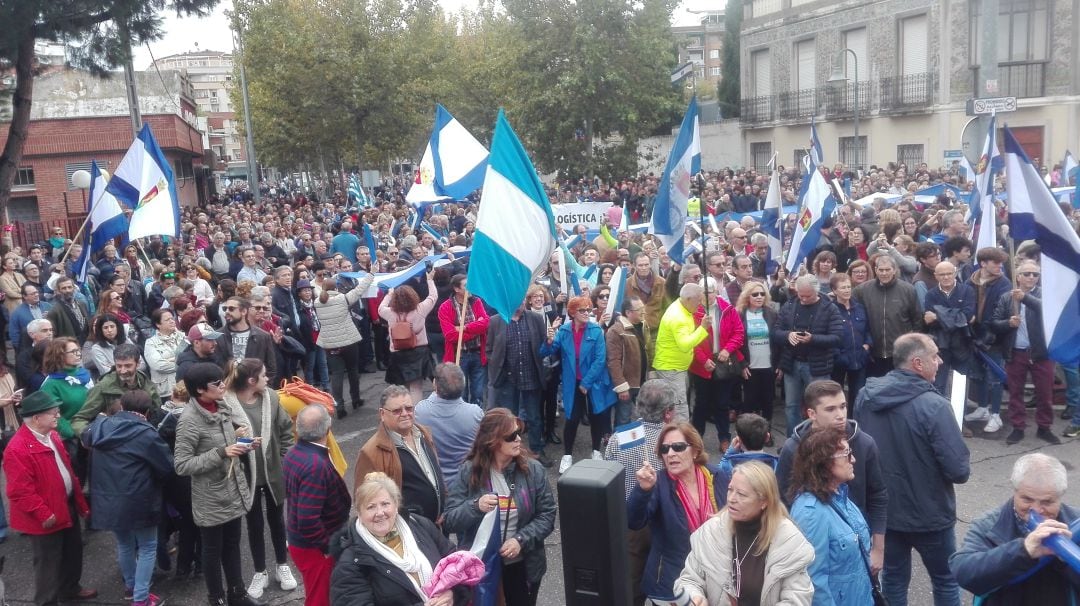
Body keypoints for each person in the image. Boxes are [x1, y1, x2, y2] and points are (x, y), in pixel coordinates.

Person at [855, 333, 970, 606]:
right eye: (935, 356)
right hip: (930, 515)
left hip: (885, 514)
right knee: (945, 579)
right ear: (918, 363)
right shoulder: (936, 406)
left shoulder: (865, 397)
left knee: (893, 579)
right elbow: (959, 470)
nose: (940, 361)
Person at [173, 362, 265, 606]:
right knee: (212, 551)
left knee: (233, 544)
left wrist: (244, 442)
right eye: (217, 383)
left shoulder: (220, 405)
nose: (223, 385)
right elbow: (182, 465)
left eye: (221, 380)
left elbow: (226, 442)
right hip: (211, 497)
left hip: (233, 489)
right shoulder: (189, 420)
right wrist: (222, 452)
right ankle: (217, 599)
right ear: (200, 390)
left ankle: (237, 593)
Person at [444, 408, 557, 606]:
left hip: (523, 566)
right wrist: (475, 506)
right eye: (511, 436)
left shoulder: (532, 470)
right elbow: (450, 520)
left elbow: (547, 515)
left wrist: (520, 540)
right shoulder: (469, 471)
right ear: (493, 440)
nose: (519, 440)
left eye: (519, 433)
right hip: (482, 566)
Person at [674, 460, 814, 605]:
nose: (731, 499)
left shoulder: (788, 541)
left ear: (764, 501)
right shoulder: (711, 532)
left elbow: (798, 599)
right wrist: (695, 598)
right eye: (730, 490)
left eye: (741, 494)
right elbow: (688, 580)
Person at [81, 390, 173, 606]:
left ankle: (131, 588)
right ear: (147, 411)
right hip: (139, 500)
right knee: (148, 546)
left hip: (108, 499)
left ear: (121, 406)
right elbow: (167, 468)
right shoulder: (146, 433)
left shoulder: (101, 426)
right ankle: (141, 598)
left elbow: (86, 436)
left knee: (124, 544)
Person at [4, 390, 96, 605]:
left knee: (73, 552)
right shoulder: (17, 449)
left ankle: (70, 589)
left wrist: (79, 503)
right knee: (48, 564)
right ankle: (47, 602)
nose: (58, 415)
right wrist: (44, 513)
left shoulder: (52, 435)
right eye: (53, 412)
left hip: (66, 505)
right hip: (46, 516)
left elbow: (67, 471)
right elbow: (19, 491)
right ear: (36, 418)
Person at [950, 453, 1080, 605]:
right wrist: (1023, 550)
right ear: (1015, 491)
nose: (1037, 510)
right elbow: (963, 573)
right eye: (1027, 499)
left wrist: (1065, 559)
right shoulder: (989, 524)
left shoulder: (1076, 524)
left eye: (1047, 502)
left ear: (1060, 496)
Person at [329, 471, 462, 606]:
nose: (380, 513)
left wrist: (453, 593)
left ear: (396, 505)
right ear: (360, 514)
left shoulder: (421, 525)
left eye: (385, 504)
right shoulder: (351, 561)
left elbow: (457, 563)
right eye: (371, 507)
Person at [224, 359, 298, 599]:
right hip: (246, 476)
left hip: (274, 471)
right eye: (264, 376)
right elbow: (223, 440)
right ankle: (260, 571)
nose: (269, 379)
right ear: (251, 380)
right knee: (254, 524)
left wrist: (286, 460)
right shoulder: (227, 404)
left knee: (277, 520)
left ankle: (282, 565)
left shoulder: (272, 398)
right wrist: (238, 440)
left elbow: (286, 430)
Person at [627, 422, 722, 601]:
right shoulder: (659, 484)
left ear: (695, 451)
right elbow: (633, 520)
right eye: (665, 449)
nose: (670, 454)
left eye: (678, 447)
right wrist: (642, 491)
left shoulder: (717, 477)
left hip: (714, 579)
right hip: (670, 583)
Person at [601, 379, 676, 606]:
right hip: (665, 520)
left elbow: (608, 478)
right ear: (668, 413)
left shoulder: (618, 438)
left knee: (631, 582)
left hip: (628, 522)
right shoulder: (675, 441)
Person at [788, 426, 876, 606]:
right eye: (846, 454)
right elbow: (813, 582)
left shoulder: (842, 497)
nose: (853, 459)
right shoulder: (810, 512)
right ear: (825, 463)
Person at [283, 404, 351, 606]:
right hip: (315, 548)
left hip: (301, 543)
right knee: (320, 599)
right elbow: (307, 520)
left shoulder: (294, 453)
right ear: (328, 428)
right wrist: (327, 546)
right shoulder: (316, 466)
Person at [540, 295, 616, 473]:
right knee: (572, 418)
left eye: (588, 310)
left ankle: (596, 451)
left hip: (593, 381)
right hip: (571, 382)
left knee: (596, 416)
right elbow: (546, 351)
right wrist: (549, 339)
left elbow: (600, 359)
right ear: (573, 312)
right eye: (582, 310)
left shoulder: (596, 331)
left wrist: (587, 382)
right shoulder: (564, 331)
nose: (586, 313)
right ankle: (567, 455)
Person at [990, 260, 1061, 446]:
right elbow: (994, 323)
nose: (1031, 277)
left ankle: (1044, 427)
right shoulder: (1007, 297)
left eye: (1035, 274)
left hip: (1042, 353)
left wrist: (1025, 298)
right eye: (1027, 273)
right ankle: (1018, 427)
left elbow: (1047, 310)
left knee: (1045, 393)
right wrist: (1008, 323)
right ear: (1018, 276)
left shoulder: (1045, 294)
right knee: (1015, 392)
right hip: (1016, 352)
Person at [354, 385, 446, 524]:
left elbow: (435, 473)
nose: (405, 413)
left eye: (409, 408)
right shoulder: (371, 452)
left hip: (438, 527)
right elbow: (364, 502)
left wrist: (444, 506)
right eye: (397, 411)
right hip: (408, 533)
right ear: (382, 414)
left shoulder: (423, 434)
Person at [773, 275, 844, 437]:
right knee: (791, 406)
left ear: (816, 292)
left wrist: (813, 339)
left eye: (808, 296)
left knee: (820, 405)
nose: (803, 299)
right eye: (800, 295)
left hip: (817, 366)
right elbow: (776, 331)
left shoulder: (829, 308)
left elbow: (838, 337)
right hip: (792, 363)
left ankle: (820, 440)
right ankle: (794, 440)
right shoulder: (790, 305)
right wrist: (787, 335)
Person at [485, 299, 549, 464]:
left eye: (522, 300)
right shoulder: (496, 321)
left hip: (531, 376)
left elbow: (543, 345)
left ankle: (536, 450)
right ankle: (510, 453)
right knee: (509, 419)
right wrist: (496, 365)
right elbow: (489, 349)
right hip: (507, 379)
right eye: (516, 299)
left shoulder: (535, 319)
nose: (519, 303)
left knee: (534, 417)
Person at [689, 282, 745, 448]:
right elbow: (691, 339)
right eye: (704, 292)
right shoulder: (694, 312)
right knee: (701, 404)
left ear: (717, 292)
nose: (707, 296)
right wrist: (702, 359)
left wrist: (728, 349)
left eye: (710, 292)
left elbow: (738, 332)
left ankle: (724, 438)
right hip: (702, 365)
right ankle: (697, 440)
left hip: (723, 361)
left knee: (722, 403)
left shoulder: (727, 309)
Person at [314, 272, 375, 418]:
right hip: (348, 341)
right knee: (353, 370)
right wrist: (371, 274)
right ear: (336, 287)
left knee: (336, 374)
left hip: (330, 343)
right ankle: (355, 399)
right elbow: (360, 289)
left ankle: (339, 406)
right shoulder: (342, 298)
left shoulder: (317, 302)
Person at [964, 247, 1012, 432]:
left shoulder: (1004, 284)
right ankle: (982, 408)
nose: (1000, 266)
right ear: (983, 263)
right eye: (996, 262)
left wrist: (988, 335)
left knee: (995, 376)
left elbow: (1001, 313)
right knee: (979, 376)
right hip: (973, 335)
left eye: (1001, 262)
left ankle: (996, 414)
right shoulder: (970, 281)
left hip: (994, 338)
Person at [71, 343, 163, 438]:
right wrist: (90, 436)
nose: (123, 371)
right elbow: (79, 419)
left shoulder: (147, 384)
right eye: (119, 366)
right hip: (112, 440)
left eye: (128, 366)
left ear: (138, 364)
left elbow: (157, 412)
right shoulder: (103, 387)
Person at [415, 363, 484, 486]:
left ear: (435, 384)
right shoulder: (475, 413)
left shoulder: (420, 411)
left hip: (435, 483)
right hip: (468, 482)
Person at [651, 283, 710, 422]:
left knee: (676, 403)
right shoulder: (678, 317)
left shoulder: (681, 306)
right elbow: (685, 345)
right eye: (699, 300)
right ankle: (680, 439)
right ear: (689, 299)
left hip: (676, 367)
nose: (701, 304)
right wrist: (703, 328)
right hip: (671, 368)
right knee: (679, 408)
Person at [854, 255, 921, 377]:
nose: (884, 273)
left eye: (887, 269)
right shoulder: (862, 290)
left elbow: (917, 320)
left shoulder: (908, 290)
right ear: (875, 270)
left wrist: (911, 345)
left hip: (899, 352)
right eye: (881, 270)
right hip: (872, 352)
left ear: (894, 270)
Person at [378, 273, 438, 403]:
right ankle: (415, 415)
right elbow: (433, 296)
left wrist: (389, 294)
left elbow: (380, 308)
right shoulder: (420, 309)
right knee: (416, 387)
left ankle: (404, 409)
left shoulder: (389, 313)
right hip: (419, 352)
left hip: (398, 354)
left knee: (401, 387)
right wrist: (429, 279)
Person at [923, 260, 976, 394]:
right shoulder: (931, 294)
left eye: (949, 273)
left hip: (962, 343)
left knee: (960, 384)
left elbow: (967, 316)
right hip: (940, 345)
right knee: (938, 383)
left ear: (955, 273)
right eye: (942, 274)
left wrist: (938, 315)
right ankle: (939, 414)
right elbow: (929, 320)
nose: (946, 277)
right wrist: (957, 316)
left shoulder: (967, 291)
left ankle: (959, 415)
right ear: (936, 276)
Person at [437, 274, 489, 406]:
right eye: (466, 285)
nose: (470, 288)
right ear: (456, 289)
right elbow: (450, 336)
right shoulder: (445, 307)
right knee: (461, 393)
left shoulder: (477, 302)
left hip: (478, 353)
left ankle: (477, 422)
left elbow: (486, 324)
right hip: (459, 356)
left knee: (478, 394)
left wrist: (463, 328)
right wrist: (476, 329)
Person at [38, 337, 94, 448]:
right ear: (59, 356)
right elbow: (52, 416)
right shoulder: (51, 384)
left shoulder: (84, 375)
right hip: (71, 440)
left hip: (91, 430)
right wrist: (73, 433)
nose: (78, 354)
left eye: (78, 350)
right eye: (73, 351)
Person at [715, 413, 778, 506]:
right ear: (767, 437)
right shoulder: (776, 464)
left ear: (738, 439)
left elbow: (718, 474)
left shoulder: (729, 464)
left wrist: (729, 453)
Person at [605, 296, 649, 427]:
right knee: (623, 420)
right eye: (640, 309)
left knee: (642, 419)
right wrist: (622, 387)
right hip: (627, 385)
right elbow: (613, 361)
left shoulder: (643, 325)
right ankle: (619, 446)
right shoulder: (616, 331)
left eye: (643, 308)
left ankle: (636, 447)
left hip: (641, 382)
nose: (643, 311)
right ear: (628, 312)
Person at [829, 273, 872, 408]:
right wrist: (837, 354)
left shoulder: (859, 307)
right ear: (834, 290)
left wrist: (867, 345)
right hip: (839, 360)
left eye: (848, 287)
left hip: (859, 358)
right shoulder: (830, 310)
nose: (847, 290)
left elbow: (867, 329)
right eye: (843, 288)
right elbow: (826, 333)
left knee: (858, 396)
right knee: (836, 396)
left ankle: (855, 423)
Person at [215, 297, 279, 386]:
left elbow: (271, 368)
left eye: (231, 309)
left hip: (254, 390)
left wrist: (263, 388)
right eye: (225, 309)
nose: (227, 312)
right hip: (228, 390)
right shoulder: (218, 336)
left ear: (244, 311)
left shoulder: (262, 336)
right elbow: (215, 366)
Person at [144, 308, 187, 397]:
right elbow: (158, 365)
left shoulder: (184, 337)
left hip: (186, 386)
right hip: (166, 391)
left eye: (172, 318)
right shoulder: (151, 342)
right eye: (167, 320)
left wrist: (170, 360)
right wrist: (183, 364)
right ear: (158, 324)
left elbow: (192, 356)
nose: (172, 321)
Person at [47, 276, 90, 344]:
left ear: (74, 288)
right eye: (64, 288)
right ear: (58, 291)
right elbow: (53, 336)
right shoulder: (54, 311)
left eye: (70, 287)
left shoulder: (82, 304)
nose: (67, 290)